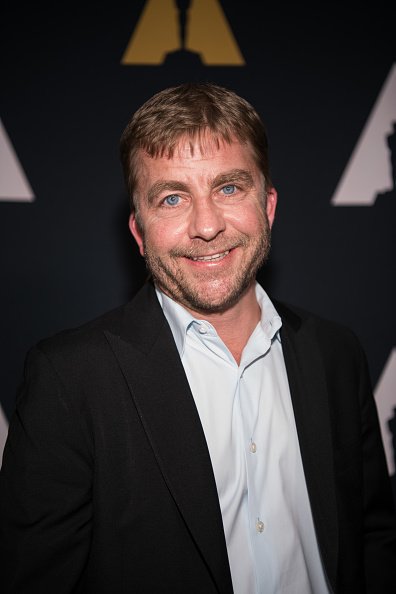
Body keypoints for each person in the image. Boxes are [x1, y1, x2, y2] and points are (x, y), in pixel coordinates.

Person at [1, 83, 395, 594]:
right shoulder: (70, 379)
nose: (206, 226)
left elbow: (374, 538)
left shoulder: (336, 354)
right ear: (140, 232)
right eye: (172, 198)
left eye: (229, 188)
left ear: (268, 207)